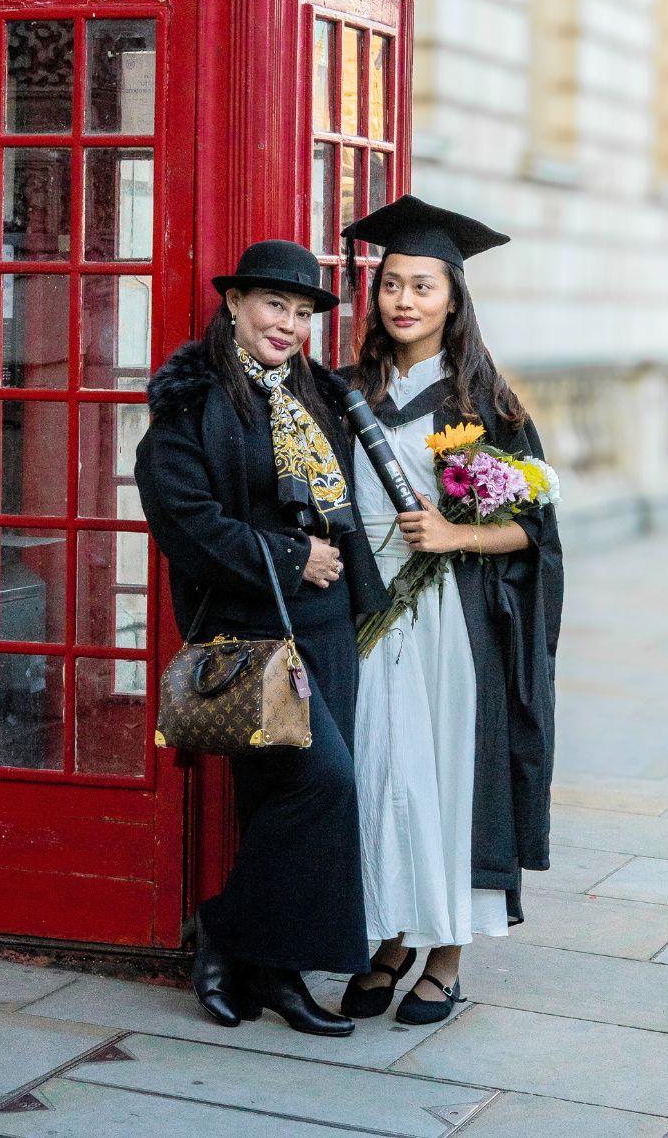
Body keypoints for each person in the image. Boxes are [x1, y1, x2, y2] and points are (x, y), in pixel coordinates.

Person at [135, 237, 386, 1038]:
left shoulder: (317, 394)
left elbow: (344, 508)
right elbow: (184, 520)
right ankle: (229, 928)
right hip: (250, 633)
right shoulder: (191, 401)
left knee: (290, 799)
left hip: (325, 628)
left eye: (304, 311)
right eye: (275, 304)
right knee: (324, 783)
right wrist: (287, 553)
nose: (290, 323)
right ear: (235, 304)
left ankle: (276, 973)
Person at [329, 198, 564, 1022]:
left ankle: (447, 956)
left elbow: (535, 535)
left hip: (453, 626)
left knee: (451, 776)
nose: (404, 301)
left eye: (423, 287)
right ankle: (392, 937)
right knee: (386, 774)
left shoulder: (486, 406)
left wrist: (456, 538)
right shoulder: (349, 393)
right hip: (368, 619)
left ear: (454, 299)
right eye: (392, 284)